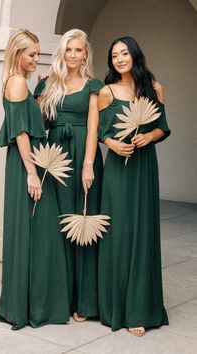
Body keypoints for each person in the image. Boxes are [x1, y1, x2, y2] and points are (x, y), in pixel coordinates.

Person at [0, 29, 70, 330]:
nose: (37, 59)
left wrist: (37, 92)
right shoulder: (14, 82)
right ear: (17, 54)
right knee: (34, 232)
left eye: (38, 54)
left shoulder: (21, 83)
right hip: (27, 164)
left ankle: (28, 304)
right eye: (32, 55)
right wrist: (32, 174)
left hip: (31, 162)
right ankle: (29, 307)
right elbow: (21, 133)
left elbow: (30, 119)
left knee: (36, 232)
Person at [98, 36, 170, 335]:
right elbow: (101, 131)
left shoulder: (154, 88)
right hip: (117, 168)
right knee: (118, 231)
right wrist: (113, 143)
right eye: (114, 55)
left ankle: (140, 308)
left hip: (144, 166)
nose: (119, 59)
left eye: (124, 53)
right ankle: (114, 306)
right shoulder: (106, 92)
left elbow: (162, 127)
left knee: (142, 231)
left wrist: (148, 137)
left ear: (135, 55)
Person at [34, 29, 103, 322]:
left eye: (78, 50)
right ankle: (58, 298)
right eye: (68, 49)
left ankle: (84, 302)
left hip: (82, 157)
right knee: (57, 224)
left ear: (85, 53)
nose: (73, 55)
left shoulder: (94, 86)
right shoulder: (47, 84)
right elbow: (38, 123)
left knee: (84, 225)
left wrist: (88, 165)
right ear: (62, 52)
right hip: (55, 159)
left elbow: (93, 128)